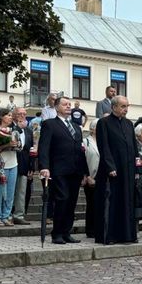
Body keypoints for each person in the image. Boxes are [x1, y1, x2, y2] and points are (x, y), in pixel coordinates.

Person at [38, 97, 88, 244]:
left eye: (69, 105)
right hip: (58, 169)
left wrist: (85, 172)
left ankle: (66, 232)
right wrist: (44, 167)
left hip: (75, 170)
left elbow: (80, 150)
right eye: (65, 104)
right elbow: (44, 147)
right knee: (62, 198)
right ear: (56, 106)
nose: (68, 107)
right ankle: (57, 233)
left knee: (71, 202)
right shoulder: (50, 124)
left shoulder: (76, 126)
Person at [94, 95, 138, 244]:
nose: (126, 109)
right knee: (112, 203)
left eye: (127, 106)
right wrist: (110, 166)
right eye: (123, 106)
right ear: (114, 107)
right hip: (112, 170)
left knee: (127, 201)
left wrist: (136, 166)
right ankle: (110, 235)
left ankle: (128, 235)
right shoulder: (104, 123)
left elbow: (133, 146)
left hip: (128, 170)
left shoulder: (129, 124)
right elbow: (104, 146)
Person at [12, 107, 34, 225]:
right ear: (14, 115)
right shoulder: (9, 127)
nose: (22, 116)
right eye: (20, 114)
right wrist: (18, 128)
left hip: (24, 165)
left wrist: (31, 166)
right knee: (9, 191)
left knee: (21, 191)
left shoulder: (29, 130)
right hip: (10, 163)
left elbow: (30, 149)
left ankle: (19, 215)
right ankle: (7, 214)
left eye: (24, 114)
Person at [0, 109, 19, 227]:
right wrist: (7, 145)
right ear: (1, 117)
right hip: (1, 165)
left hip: (13, 164)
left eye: (11, 116)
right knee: (0, 193)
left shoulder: (13, 131)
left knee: (10, 193)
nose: (11, 117)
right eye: (8, 115)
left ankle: (6, 216)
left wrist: (17, 145)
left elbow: (19, 146)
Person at [82, 119, 99, 238]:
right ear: (93, 129)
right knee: (92, 204)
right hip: (90, 176)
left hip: (102, 177)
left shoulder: (105, 141)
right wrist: (86, 175)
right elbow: (82, 159)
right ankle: (91, 230)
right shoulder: (85, 141)